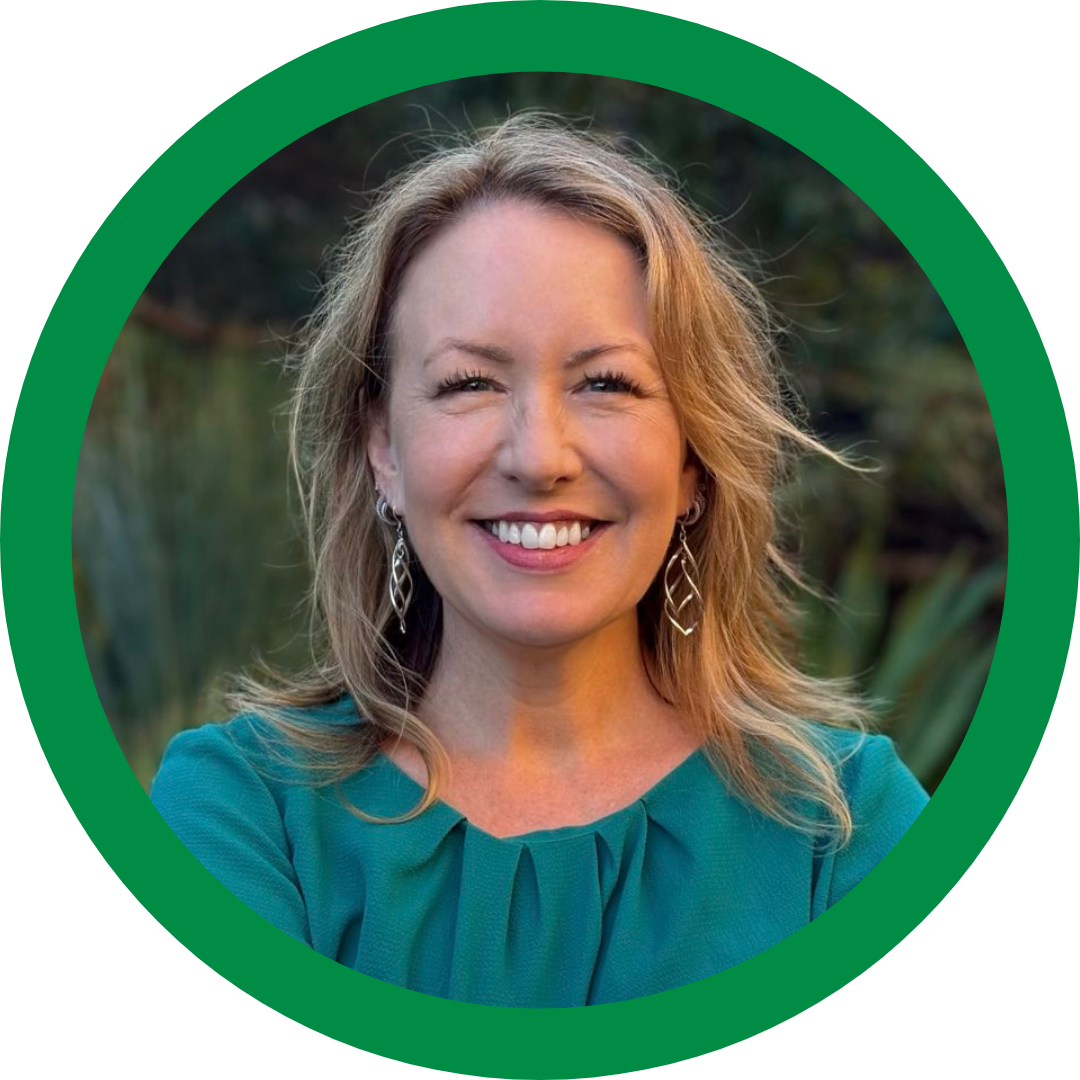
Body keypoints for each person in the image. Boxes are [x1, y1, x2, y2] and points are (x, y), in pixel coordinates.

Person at [151, 115, 928, 1007]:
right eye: (470, 384)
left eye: (607, 383)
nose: (539, 456)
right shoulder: (247, 814)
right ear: (383, 451)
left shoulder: (844, 831)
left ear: (693, 460)